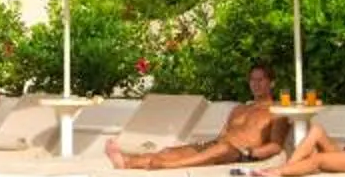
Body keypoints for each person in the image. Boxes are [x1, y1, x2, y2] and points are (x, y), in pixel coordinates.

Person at [105, 63, 291, 170]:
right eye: (252, 80)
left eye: (261, 80)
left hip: (242, 154)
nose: (255, 84)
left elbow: (275, 146)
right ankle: (127, 162)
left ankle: (173, 167)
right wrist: (205, 145)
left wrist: (250, 152)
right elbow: (223, 136)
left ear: (271, 83)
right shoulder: (239, 109)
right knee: (168, 152)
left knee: (222, 148)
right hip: (218, 147)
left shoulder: (278, 112)